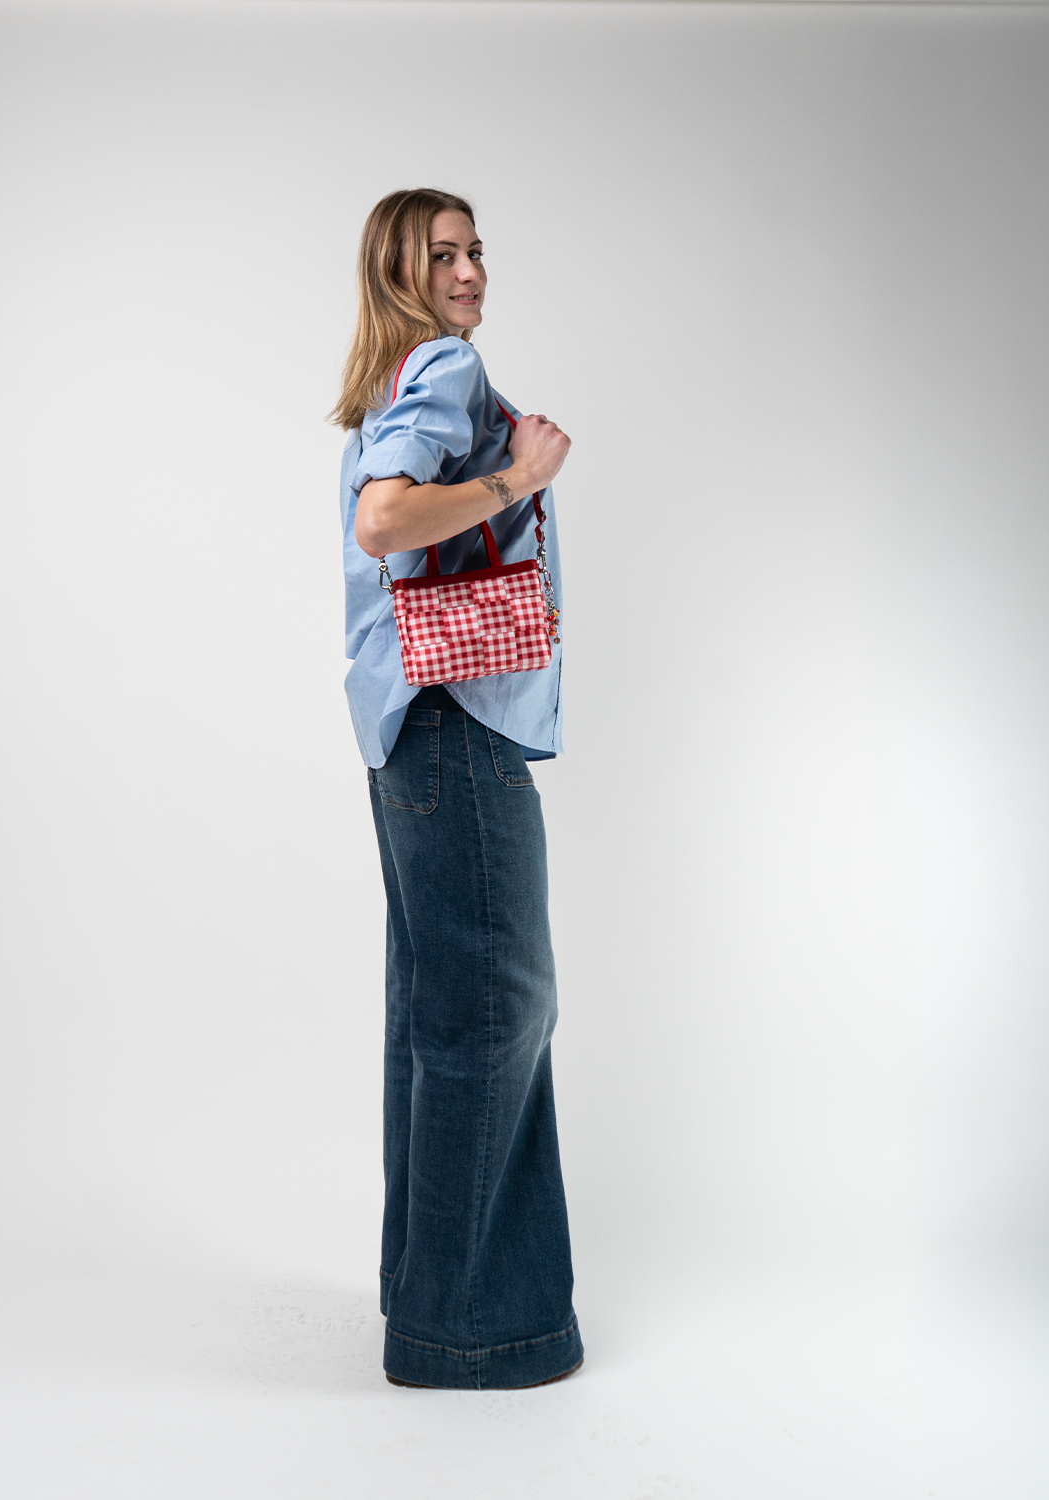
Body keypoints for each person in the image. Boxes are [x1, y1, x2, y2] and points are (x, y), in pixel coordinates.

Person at [332, 188, 583, 1390]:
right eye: (444, 253)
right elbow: (388, 521)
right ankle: (469, 1328)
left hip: (411, 733)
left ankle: (427, 1301)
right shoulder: (440, 370)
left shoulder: (397, 381)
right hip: (457, 724)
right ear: (399, 268)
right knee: (497, 1012)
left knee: (436, 1022)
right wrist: (517, 477)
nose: (472, 269)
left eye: (476, 249)